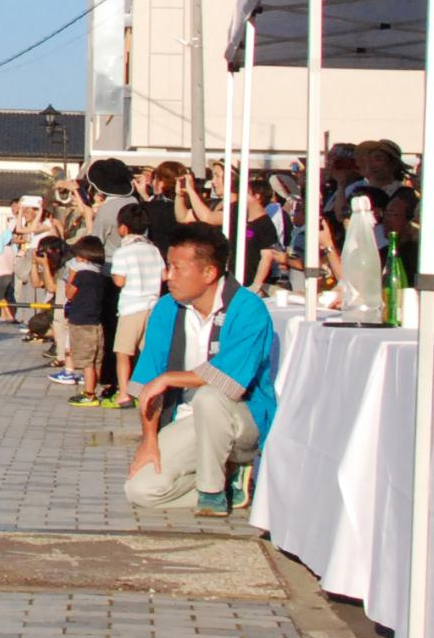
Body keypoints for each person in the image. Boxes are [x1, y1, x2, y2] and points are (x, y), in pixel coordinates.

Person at [124, 223, 278, 517]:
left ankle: (212, 491)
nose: (168, 276)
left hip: (239, 422)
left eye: (177, 268)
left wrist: (169, 378)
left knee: (210, 398)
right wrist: (149, 440)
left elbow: (229, 381)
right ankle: (231, 480)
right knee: (140, 490)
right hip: (187, 421)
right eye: (169, 266)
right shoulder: (167, 308)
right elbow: (147, 386)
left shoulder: (248, 308)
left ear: (209, 273)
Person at [108, 202, 164, 410]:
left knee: (123, 353)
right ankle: (147, 391)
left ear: (123, 228)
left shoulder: (124, 252)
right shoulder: (153, 249)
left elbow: (120, 281)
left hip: (132, 306)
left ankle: (124, 393)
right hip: (153, 305)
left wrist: (114, 275)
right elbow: (164, 275)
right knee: (147, 352)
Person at [62, 234, 112, 406]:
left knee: (86, 363)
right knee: (96, 359)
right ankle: (94, 389)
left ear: (83, 257)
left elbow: (69, 294)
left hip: (81, 323)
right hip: (96, 323)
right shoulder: (101, 276)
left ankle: (89, 394)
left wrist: (71, 276)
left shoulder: (81, 275)